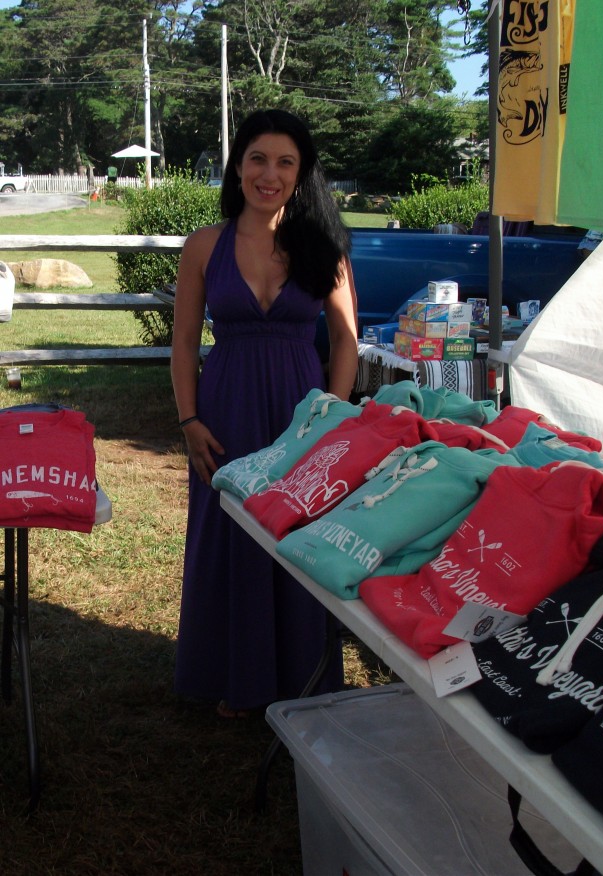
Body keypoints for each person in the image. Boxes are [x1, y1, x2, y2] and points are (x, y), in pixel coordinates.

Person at [171, 109, 358, 718]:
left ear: (301, 174)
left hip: (301, 419)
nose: (269, 174)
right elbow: (181, 343)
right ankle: (234, 678)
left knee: (297, 536)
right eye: (258, 158)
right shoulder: (204, 244)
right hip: (224, 411)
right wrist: (189, 421)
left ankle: (300, 678)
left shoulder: (323, 247)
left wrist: (331, 420)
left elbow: (346, 340)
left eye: (284, 162)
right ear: (238, 165)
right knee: (229, 536)